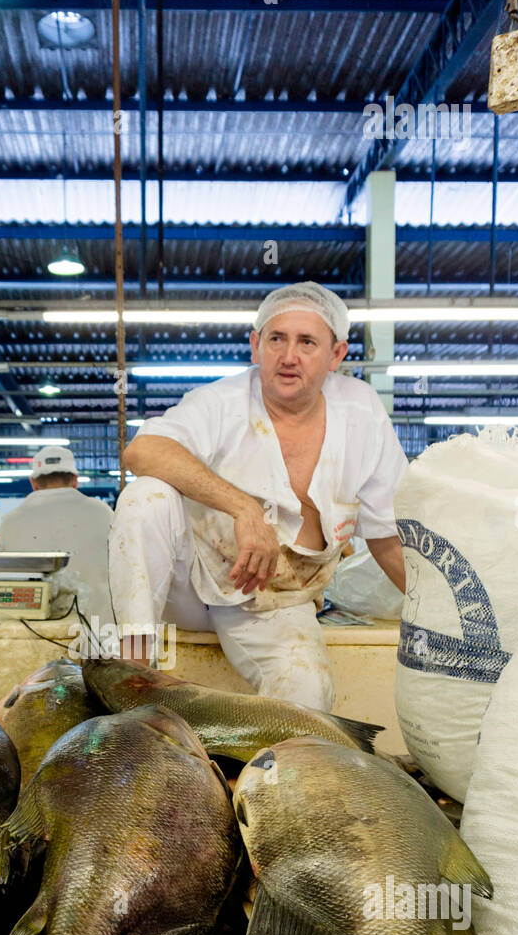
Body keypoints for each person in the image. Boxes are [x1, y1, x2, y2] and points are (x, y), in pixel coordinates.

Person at [110, 281, 408, 710]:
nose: (289, 356)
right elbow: (142, 451)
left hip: (272, 600)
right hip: (190, 583)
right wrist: (243, 509)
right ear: (255, 346)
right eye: (276, 339)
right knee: (146, 497)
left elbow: (387, 537)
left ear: (336, 355)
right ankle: (133, 673)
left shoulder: (362, 413)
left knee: (308, 697)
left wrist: (438, 619)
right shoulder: (221, 401)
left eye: (307, 342)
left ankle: (256, 776)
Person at [0, 444, 114, 625]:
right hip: (98, 632)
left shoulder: (10, 521)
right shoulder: (103, 512)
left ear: (33, 482)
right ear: (75, 480)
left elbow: (0, 579)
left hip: (32, 633)